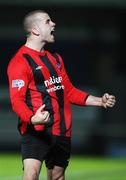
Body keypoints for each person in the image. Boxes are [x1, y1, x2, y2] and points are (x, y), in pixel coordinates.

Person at [7, 10, 116, 180]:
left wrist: (99, 101)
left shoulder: (55, 59)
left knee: (57, 176)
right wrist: (32, 118)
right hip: (36, 130)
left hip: (62, 131)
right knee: (31, 174)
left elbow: (69, 92)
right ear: (35, 29)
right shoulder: (20, 62)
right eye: (48, 21)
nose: (53, 24)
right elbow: (17, 101)